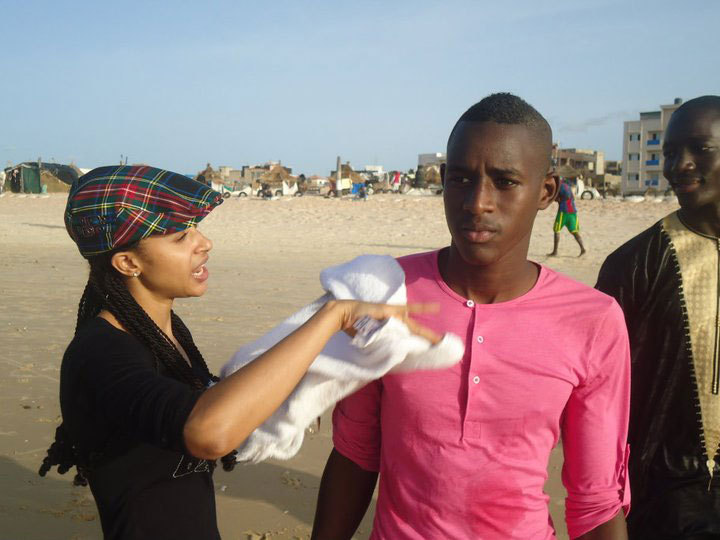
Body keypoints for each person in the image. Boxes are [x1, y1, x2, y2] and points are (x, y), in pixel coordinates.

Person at [38, 165, 436, 540]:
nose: (203, 243)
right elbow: (207, 434)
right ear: (128, 262)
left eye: (196, 228)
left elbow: (211, 402)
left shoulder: (165, 332)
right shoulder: (100, 353)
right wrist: (333, 315)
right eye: (180, 237)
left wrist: (293, 389)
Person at [312, 93, 631, 540]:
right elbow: (355, 452)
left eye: (504, 182)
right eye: (462, 179)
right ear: (444, 181)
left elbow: (595, 499)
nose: (477, 202)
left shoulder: (592, 320)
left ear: (545, 192)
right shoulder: (387, 290)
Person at [596, 95, 720, 539]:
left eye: (699, 149)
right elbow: (596, 393)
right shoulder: (634, 264)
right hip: (664, 500)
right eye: (669, 153)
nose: (678, 165)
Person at [548, 175, 586, 257]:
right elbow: (570, 197)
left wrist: (557, 198)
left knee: (556, 229)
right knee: (574, 231)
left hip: (563, 211)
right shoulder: (567, 186)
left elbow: (563, 197)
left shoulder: (559, 187)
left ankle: (555, 251)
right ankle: (582, 248)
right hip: (573, 212)